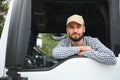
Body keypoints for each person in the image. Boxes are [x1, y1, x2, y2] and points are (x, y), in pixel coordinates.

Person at [52, 14, 117, 65]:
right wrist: (81, 48)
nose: (75, 30)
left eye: (78, 27)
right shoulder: (64, 42)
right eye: (71, 27)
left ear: (84, 29)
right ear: (67, 30)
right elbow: (55, 53)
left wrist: (85, 53)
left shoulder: (92, 41)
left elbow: (111, 58)